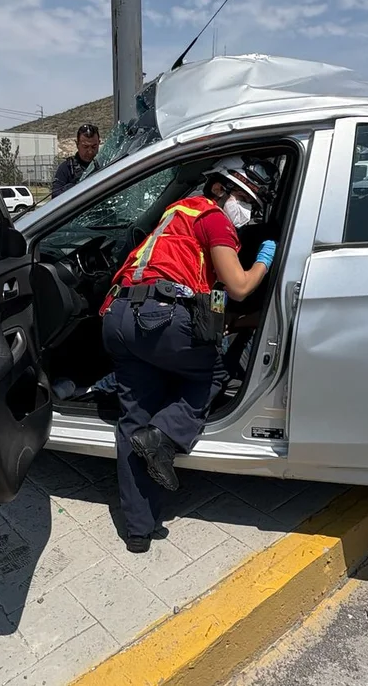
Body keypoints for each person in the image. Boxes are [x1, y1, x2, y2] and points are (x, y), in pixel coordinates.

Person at [99, 156, 276, 553]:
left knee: (134, 417)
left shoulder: (175, 215)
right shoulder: (214, 218)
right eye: (243, 198)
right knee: (212, 375)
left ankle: (139, 531)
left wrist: (230, 322)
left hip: (118, 316)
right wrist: (264, 260)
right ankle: (163, 435)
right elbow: (240, 287)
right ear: (219, 188)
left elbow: (205, 297)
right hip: (160, 319)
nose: (245, 210)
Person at [50, 124, 101, 198]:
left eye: (94, 147)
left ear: (99, 143)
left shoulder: (104, 165)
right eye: (85, 147)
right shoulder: (67, 168)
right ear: (77, 144)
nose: (90, 151)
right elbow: (55, 195)